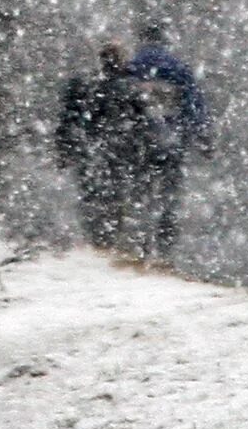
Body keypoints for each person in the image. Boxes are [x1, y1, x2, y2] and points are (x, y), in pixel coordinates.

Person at [55, 45, 151, 248]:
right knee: (116, 194)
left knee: (91, 192)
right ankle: (110, 236)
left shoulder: (83, 84)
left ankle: (95, 235)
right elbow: (142, 123)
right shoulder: (131, 88)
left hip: (89, 147)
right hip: (120, 149)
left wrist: (65, 148)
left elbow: (68, 118)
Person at [127, 23, 210, 257]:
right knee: (169, 191)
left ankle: (140, 238)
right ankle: (165, 241)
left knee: (140, 187)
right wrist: (202, 137)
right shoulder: (178, 69)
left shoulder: (131, 67)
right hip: (173, 139)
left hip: (139, 138)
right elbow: (194, 105)